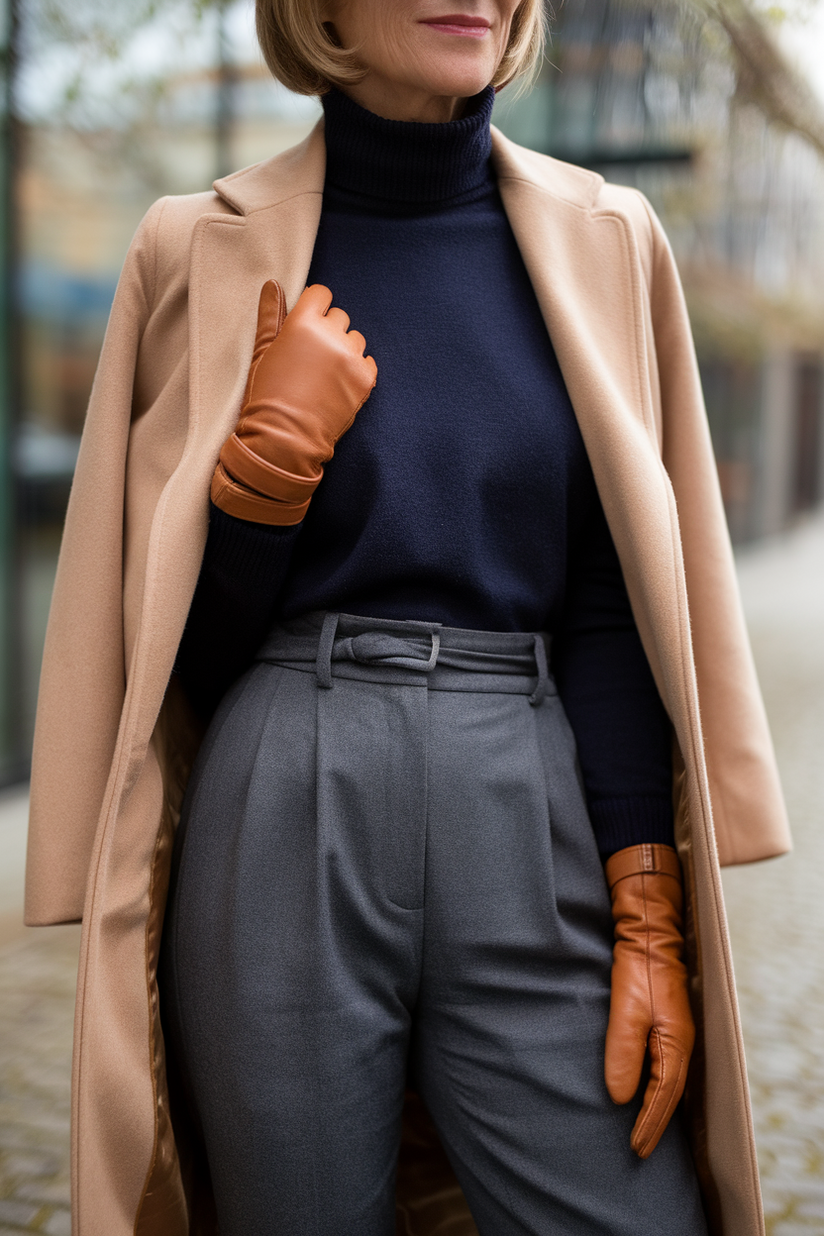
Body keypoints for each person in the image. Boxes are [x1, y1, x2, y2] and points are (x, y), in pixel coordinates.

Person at [24, 2, 790, 1235]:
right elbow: (183, 664)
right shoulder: (192, 248)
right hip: (280, 799)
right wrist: (264, 480)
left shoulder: (607, 237)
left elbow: (612, 607)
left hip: (527, 793)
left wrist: (647, 911)